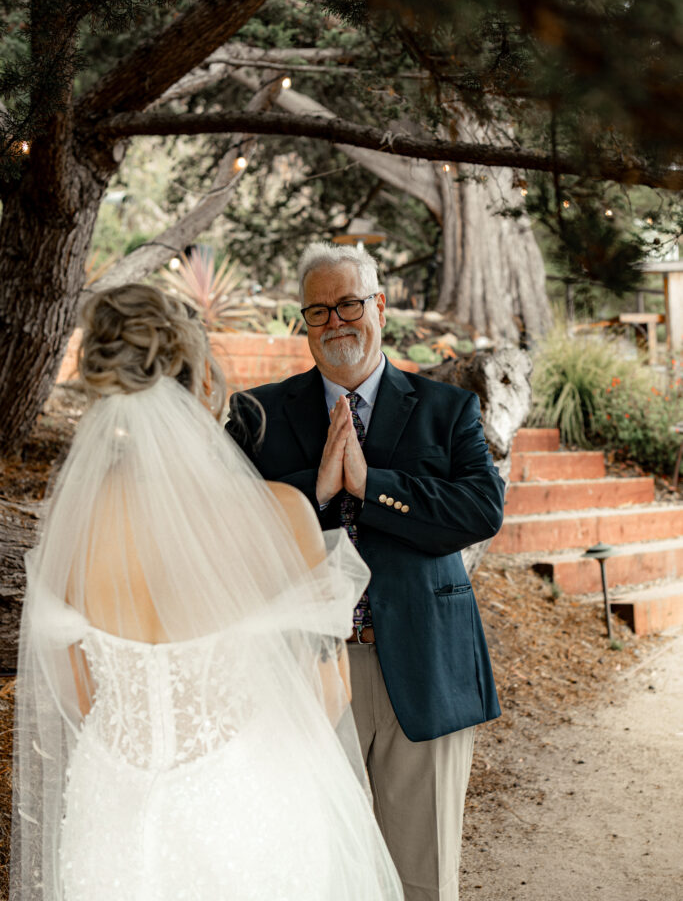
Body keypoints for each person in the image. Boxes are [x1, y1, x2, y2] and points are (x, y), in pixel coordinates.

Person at [11, 284, 403, 901]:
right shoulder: (279, 513)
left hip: (112, 803)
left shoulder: (71, 528)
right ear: (204, 386)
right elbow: (327, 696)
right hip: (245, 800)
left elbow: (75, 694)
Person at [228, 243, 506, 901]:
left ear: (379, 306)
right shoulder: (255, 415)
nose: (335, 322)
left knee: (421, 878)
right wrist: (315, 491)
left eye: (349, 302)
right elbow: (226, 523)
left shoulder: (446, 409)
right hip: (301, 674)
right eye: (317, 310)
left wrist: (371, 484)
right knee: (317, 872)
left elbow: (479, 509)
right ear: (303, 323)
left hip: (421, 668)